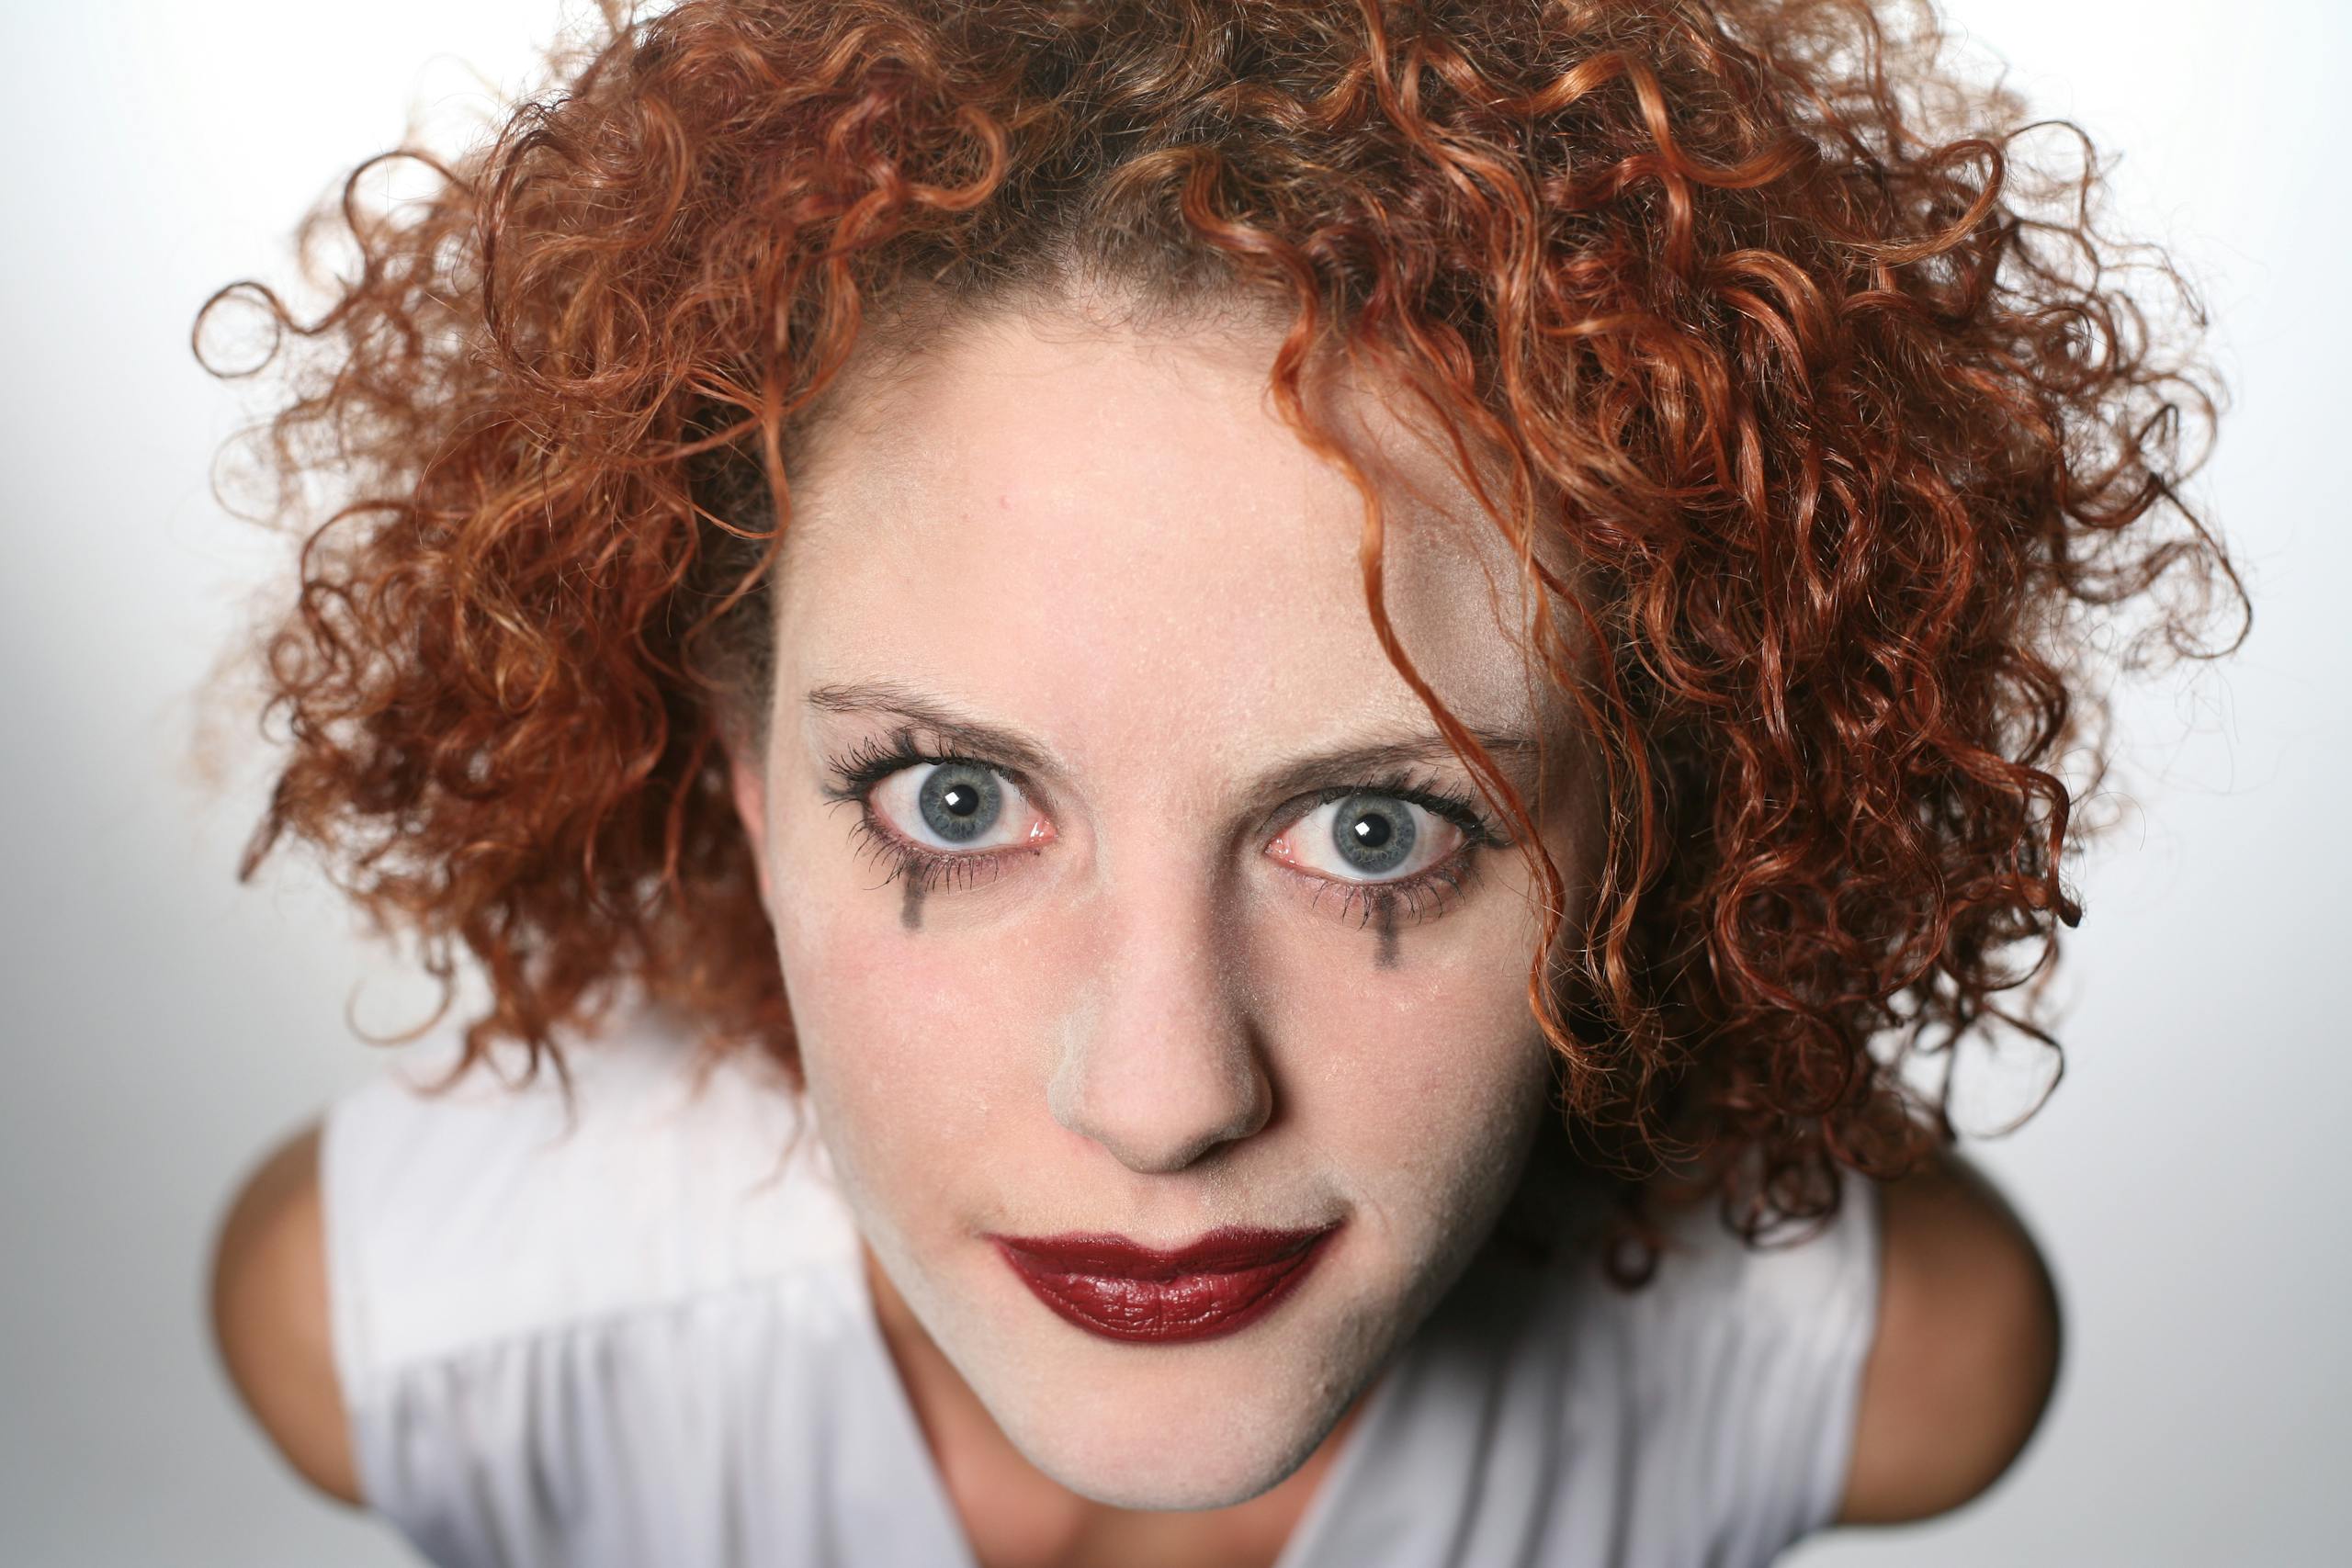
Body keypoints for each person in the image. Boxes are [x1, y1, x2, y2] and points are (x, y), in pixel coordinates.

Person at [200, 0, 2238, 1563]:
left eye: (1379, 826)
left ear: (1646, 819)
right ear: (735, 770)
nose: (1165, 1100)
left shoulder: (1870, 1356)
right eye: (953, 800)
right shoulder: (429, 1335)